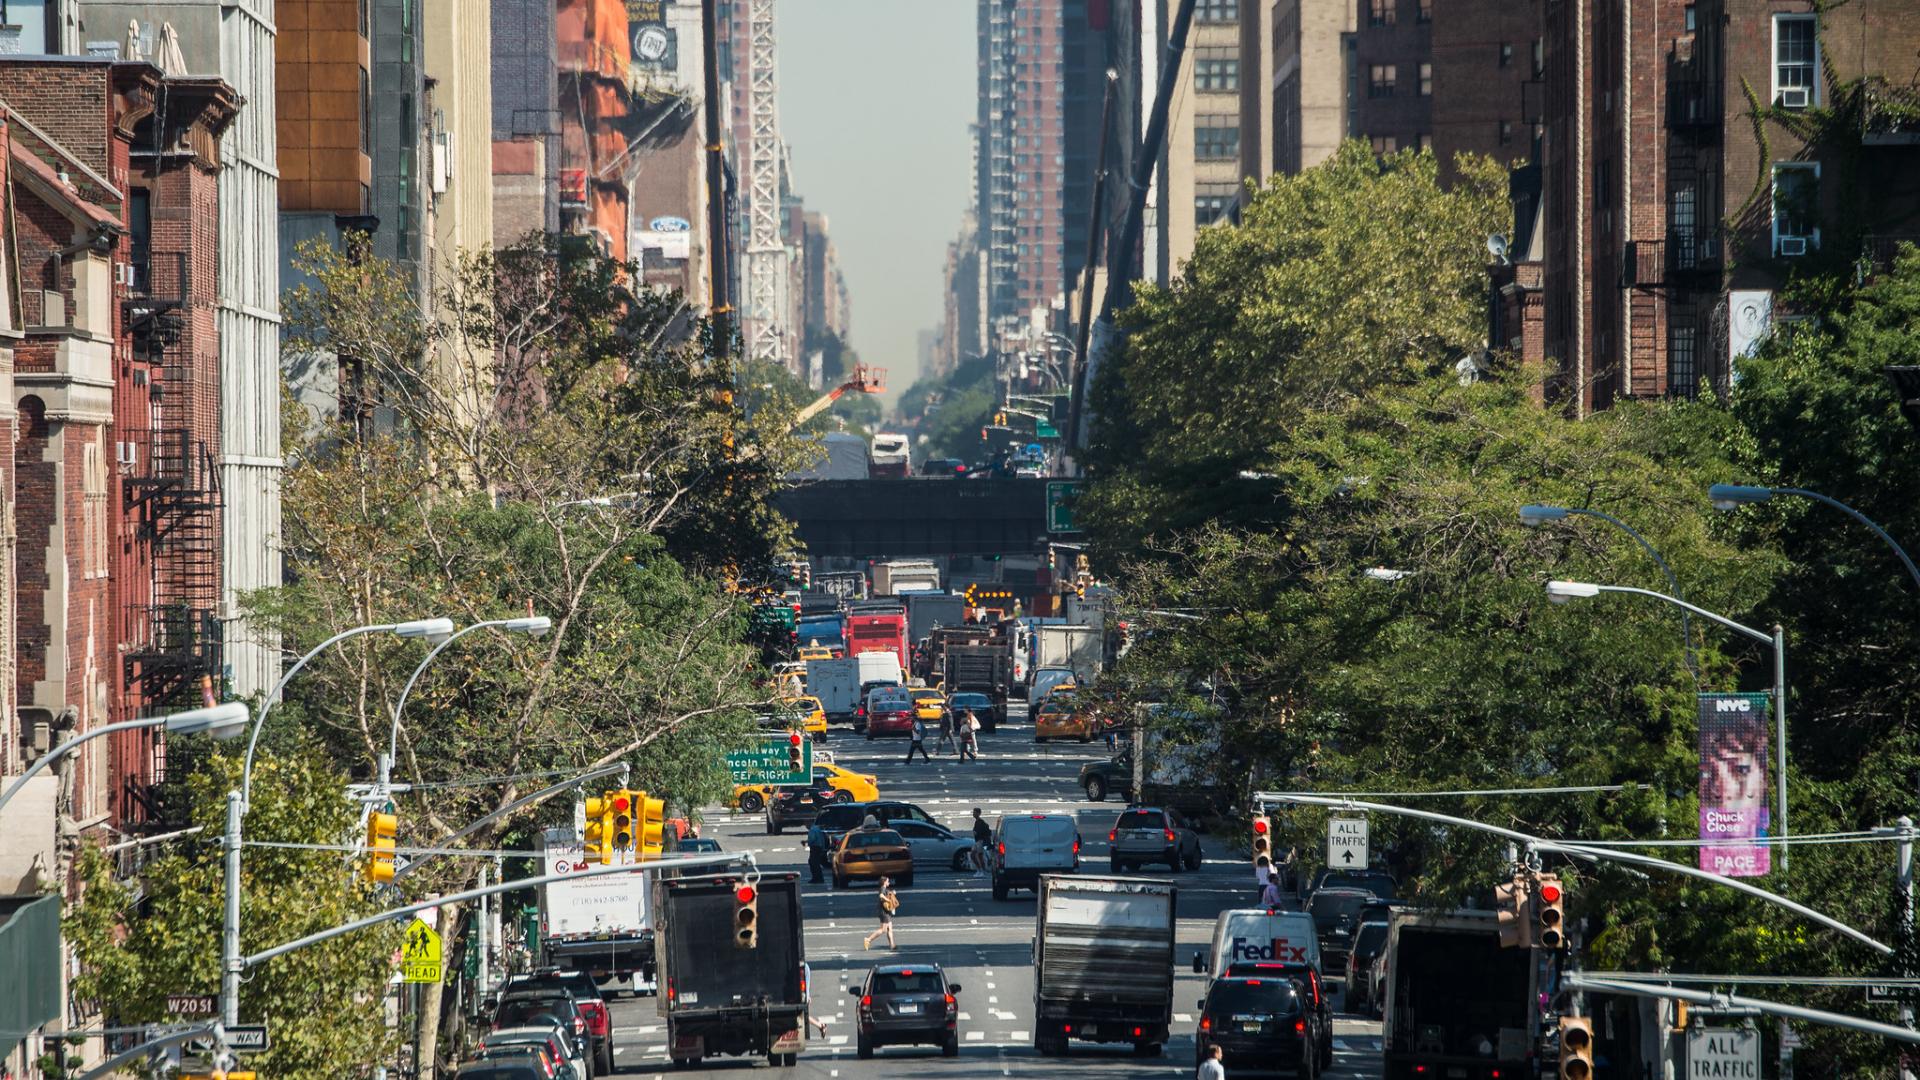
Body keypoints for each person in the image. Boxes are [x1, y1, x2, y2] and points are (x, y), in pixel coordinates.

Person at [863, 877, 899, 950]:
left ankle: (892, 946)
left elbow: (888, 894)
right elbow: (881, 896)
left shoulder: (885, 889)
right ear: (884, 882)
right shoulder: (882, 888)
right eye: (888, 881)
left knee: (889, 929)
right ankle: (868, 939)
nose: (889, 882)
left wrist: (892, 893)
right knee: (883, 929)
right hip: (883, 912)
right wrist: (888, 900)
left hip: (886, 911)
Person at [802, 961, 830, 1037]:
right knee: (803, 1015)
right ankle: (821, 1026)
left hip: (803, 971)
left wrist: (807, 996)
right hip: (803, 971)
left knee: (803, 1015)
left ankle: (821, 1026)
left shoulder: (803, 968)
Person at [806, 819, 830, 884]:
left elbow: (812, 839)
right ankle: (819, 878)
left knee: (813, 863)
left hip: (815, 847)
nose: (806, 826)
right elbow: (822, 839)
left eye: (806, 824)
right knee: (816, 863)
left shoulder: (812, 830)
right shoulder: (818, 829)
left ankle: (816, 878)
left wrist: (808, 842)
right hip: (819, 847)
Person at [971, 807, 992, 878]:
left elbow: (982, 832)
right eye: (973, 812)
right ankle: (979, 870)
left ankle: (982, 871)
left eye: (975, 812)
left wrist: (976, 833)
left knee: (979, 856)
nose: (973, 814)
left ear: (979, 813)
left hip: (980, 841)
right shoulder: (977, 821)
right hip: (977, 841)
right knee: (973, 855)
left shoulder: (981, 822)